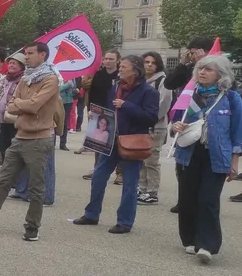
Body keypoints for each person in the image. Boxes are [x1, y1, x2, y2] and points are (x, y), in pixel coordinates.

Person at [0, 42, 61, 242]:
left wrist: (19, 105)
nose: (27, 57)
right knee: (3, 181)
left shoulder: (50, 79)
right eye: (26, 54)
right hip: (20, 136)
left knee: (36, 186)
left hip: (39, 138)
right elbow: (11, 104)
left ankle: (32, 227)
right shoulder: (26, 78)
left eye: (31, 53)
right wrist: (20, 105)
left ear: (43, 55)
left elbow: (34, 106)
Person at [72, 55, 159, 234]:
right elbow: (110, 110)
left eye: (124, 67)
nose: (120, 69)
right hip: (111, 140)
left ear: (135, 70)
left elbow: (151, 118)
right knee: (98, 177)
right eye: (120, 66)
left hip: (131, 143)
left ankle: (125, 222)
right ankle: (91, 214)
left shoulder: (149, 92)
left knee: (129, 184)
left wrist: (126, 105)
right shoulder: (116, 87)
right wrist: (97, 115)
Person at [173, 55, 241, 263]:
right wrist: (175, 126)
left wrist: (234, 162)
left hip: (217, 155)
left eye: (208, 69)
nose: (202, 72)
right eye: (200, 69)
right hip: (189, 154)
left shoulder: (231, 98)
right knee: (188, 198)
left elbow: (238, 132)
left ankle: (207, 245)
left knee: (208, 200)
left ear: (220, 74)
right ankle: (190, 239)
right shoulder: (188, 95)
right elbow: (175, 118)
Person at [136, 52, 171, 205]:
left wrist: (150, 119)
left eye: (153, 62)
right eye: (146, 61)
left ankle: (152, 192)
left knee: (152, 160)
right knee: (141, 159)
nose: (149, 65)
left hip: (156, 127)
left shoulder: (163, 81)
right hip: (141, 125)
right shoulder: (141, 80)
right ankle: (142, 188)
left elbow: (164, 103)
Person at [0, 54, 25, 172]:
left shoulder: (24, 80)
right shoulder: (3, 78)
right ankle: (4, 173)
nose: (11, 65)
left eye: (14, 63)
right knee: (2, 146)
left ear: (21, 66)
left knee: (12, 148)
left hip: (13, 119)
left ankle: (13, 176)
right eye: (10, 63)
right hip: (0, 119)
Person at [58, 78, 76, 150]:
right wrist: (67, 85)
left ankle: (63, 144)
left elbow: (73, 87)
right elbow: (56, 88)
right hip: (59, 101)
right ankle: (52, 143)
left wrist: (75, 90)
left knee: (65, 123)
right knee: (55, 122)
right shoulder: (57, 75)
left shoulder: (72, 76)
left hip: (68, 102)